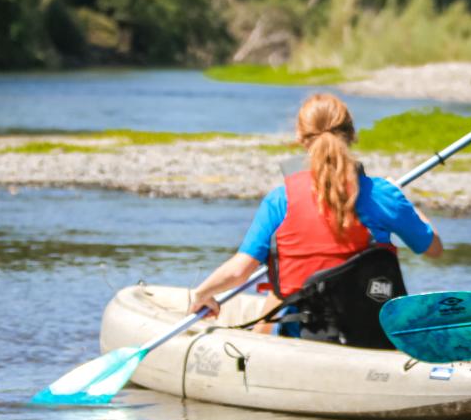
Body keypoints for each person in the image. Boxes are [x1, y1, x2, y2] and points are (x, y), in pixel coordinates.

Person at [190, 93, 443, 335]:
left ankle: (260, 347)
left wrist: (202, 293)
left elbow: (238, 272)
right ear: (352, 134)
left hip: (306, 332)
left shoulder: (281, 199)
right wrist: (403, 200)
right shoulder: (384, 194)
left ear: (301, 138)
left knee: (279, 291)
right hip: (371, 330)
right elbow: (433, 249)